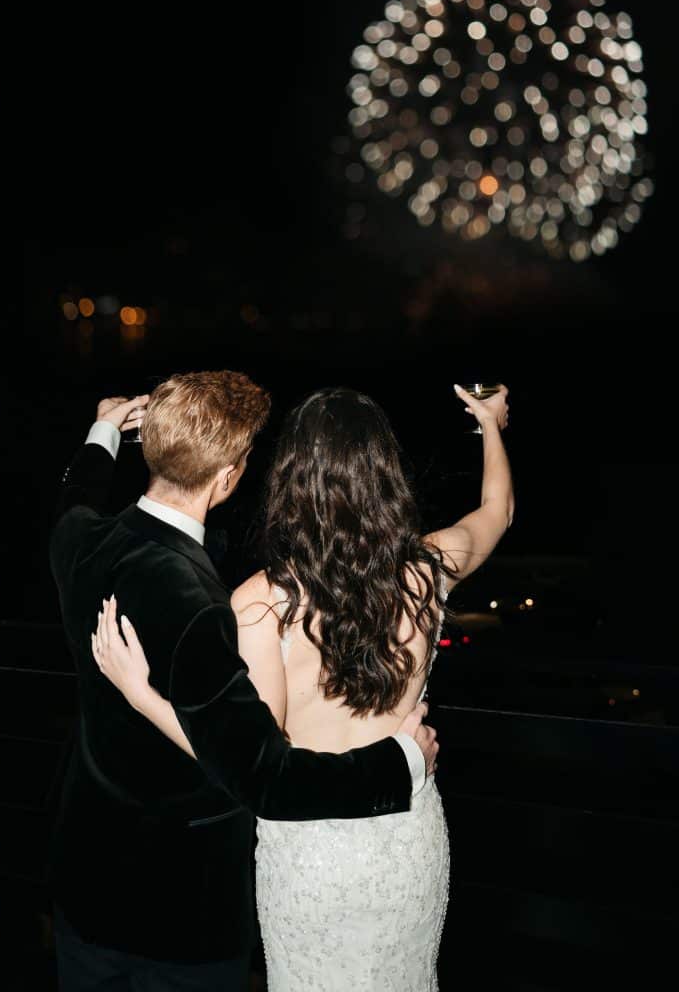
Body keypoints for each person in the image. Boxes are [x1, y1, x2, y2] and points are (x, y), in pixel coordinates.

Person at [92, 381, 513, 990]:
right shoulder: (427, 572)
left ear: (291, 483)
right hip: (408, 837)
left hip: (311, 858)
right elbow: (497, 511)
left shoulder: (262, 605)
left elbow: (249, 764)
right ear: (385, 477)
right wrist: (492, 426)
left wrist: (142, 695)